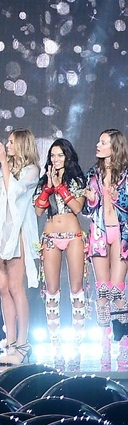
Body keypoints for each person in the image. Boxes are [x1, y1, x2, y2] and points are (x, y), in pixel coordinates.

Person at [0, 130, 40, 368]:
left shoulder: (32, 170)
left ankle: (22, 343)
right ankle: (9, 342)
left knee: (16, 287)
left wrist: (3, 164)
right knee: (3, 288)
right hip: (0, 232)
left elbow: (16, 192)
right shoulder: (5, 168)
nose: (7, 145)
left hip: (17, 233)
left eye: (11, 142)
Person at [36, 138, 89, 367]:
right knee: (52, 291)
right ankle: (56, 348)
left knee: (76, 290)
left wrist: (60, 187)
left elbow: (77, 207)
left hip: (73, 236)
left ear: (68, 156)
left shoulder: (77, 179)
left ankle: (76, 348)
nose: (55, 159)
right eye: (52, 155)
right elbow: (39, 210)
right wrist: (48, 188)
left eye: (60, 155)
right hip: (50, 237)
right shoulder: (44, 179)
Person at [87, 130, 128, 369]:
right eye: (99, 141)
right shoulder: (93, 173)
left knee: (117, 291)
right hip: (100, 232)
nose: (98, 145)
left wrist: (116, 197)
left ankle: (123, 344)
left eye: (103, 142)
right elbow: (88, 208)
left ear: (114, 147)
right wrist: (92, 198)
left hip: (121, 233)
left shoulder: (126, 174)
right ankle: (104, 345)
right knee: (102, 291)